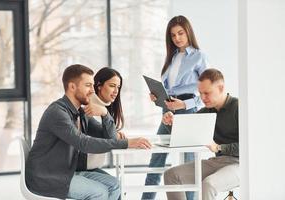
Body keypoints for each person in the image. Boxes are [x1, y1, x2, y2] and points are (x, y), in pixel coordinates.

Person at [25, 64, 151, 200]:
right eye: (88, 85)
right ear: (72, 87)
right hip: (47, 177)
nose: (92, 90)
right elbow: (83, 143)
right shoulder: (58, 113)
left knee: (114, 185)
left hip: (68, 171)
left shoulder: (80, 113)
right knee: (99, 192)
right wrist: (127, 143)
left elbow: (109, 137)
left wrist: (105, 114)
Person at [142, 15, 208, 200]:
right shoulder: (171, 58)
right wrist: (157, 96)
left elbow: (205, 93)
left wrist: (185, 104)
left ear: (188, 32)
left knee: (189, 167)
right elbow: (169, 90)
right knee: (156, 160)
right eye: (173, 35)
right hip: (168, 112)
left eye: (180, 33)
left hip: (188, 113)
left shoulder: (199, 57)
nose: (177, 38)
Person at [163, 68, 239, 200]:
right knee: (171, 175)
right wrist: (171, 123)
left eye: (207, 93)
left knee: (208, 184)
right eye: (200, 93)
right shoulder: (206, 111)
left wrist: (220, 147)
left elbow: (250, 147)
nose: (202, 98)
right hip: (217, 162)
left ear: (221, 88)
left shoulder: (238, 107)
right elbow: (185, 135)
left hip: (239, 164)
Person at [85, 67, 126, 170]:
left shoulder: (104, 109)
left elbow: (109, 137)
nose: (116, 91)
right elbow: (110, 140)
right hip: (84, 168)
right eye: (112, 86)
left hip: (94, 168)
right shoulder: (88, 107)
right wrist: (105, 113)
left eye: (118, 87)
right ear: (99, 85)